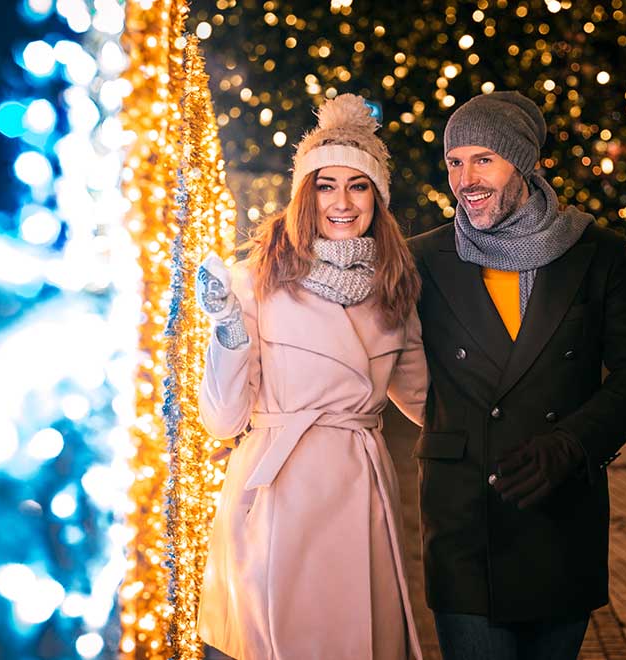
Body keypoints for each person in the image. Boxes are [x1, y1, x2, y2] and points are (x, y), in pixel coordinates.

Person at [408, 90, 626, 659]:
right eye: (455, 162)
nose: (466, 179)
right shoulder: (422, 259)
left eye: (484, 160)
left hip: (559, 513)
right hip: (464, 520)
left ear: (523, 163)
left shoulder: (598, 253)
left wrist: (573, 442)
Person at [193, 93, 427, 660]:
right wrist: (226, 328)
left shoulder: (395, 288)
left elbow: (428, 402)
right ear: (305, 194)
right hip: (276, 494)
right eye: (326, 185)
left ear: (378, 197)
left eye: (358, 185)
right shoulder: (254, 281)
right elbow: (223, 421)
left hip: (360, 492)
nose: (341, 203)